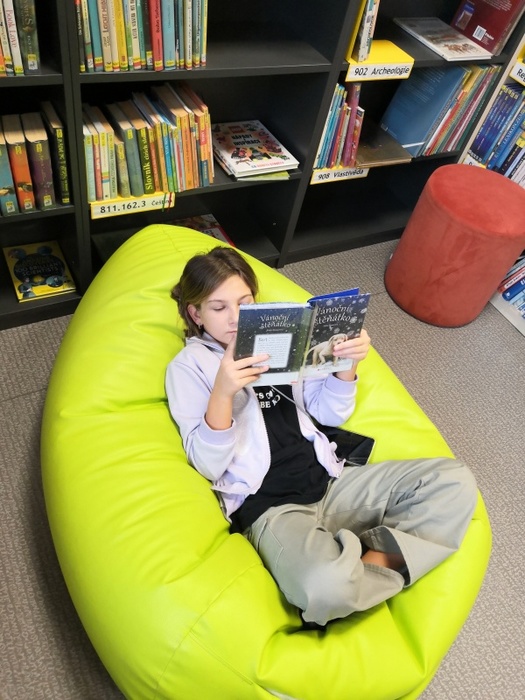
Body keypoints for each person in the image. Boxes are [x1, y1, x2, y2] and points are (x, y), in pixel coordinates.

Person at [165, 247, 478, 626]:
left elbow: (328, 414)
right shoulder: (189, 366)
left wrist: (347, 366)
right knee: (327, 586)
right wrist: (223, 392)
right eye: (219, 308)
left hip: (331, 479)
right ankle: (346, 572)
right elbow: (206, 464)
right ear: (196, 314)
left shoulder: (277, 337)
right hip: (272, 506)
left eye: (244, 303)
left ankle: (357, 563)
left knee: (453, 481)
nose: (235, 318)